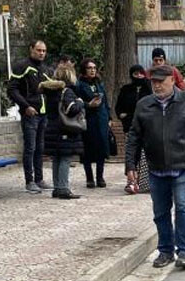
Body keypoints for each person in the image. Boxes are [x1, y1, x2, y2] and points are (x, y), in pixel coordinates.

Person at [126, 64, 185, 270]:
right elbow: (134, 137)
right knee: (160, 212)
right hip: (156, 167)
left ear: (172, 80)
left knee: (182, 207)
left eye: (161, 81)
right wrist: (130, 165)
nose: (157, 86)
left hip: (182, 165)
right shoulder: (144, 105)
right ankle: (165, 251)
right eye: (153, 81)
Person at [8, 40, 55, 193]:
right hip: (30, 114)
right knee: (30, 147)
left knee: (40, 148)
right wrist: (25, 106)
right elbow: (12, 90)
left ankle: (39, 179)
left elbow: (51, 89)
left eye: (44, 50)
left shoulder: (46, 69)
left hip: (43, 114)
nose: (41, 53)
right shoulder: (22, 66)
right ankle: (29, 181)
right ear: (31, 49)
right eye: (39, 50)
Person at [44, 63, 84, 200]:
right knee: (65, 158)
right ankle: (63, 188)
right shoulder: (67, 91)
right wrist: (80, 102)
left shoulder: (50, 91)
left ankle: (57, 188)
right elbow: (72, 109)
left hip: (52, 128)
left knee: (56, 158)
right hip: (64, 129)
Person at [115, 65, 152, 194]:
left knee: (146, 155)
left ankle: (146, 182)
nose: (139, 76)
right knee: (131, 154)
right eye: (136, 74)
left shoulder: (149, 88)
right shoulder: (126, 89)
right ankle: (131, 181)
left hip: (147, 127)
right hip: (130, 125)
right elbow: (118, 106)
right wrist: (122, 115)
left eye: (141, 74)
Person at [75, 58, 111, 189]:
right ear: (84, 69)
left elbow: (106, 101)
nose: (93, 70)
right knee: (87, 150)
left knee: (101, 148)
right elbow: (76, 102)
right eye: (90, 68)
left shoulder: (99, 84)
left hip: (101, 119)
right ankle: (89, 178)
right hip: (87, 120)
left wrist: (109, 117)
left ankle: (100, 177)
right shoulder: (79, 85)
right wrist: (88, 105)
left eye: (94, 68)